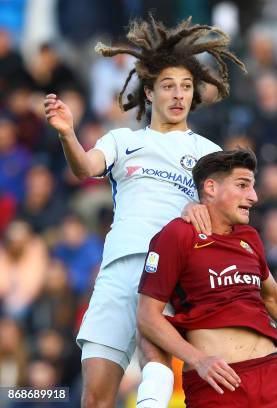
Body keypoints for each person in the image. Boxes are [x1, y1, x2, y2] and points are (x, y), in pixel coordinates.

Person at [43, 15, 246, 408]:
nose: (178, 95)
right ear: (149, 92)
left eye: (186, 87)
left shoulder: (207, 153)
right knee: (95, 397)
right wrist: (68, 133)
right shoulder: (123, 140)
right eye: (168, 86)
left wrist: (198, 206)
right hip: (118, 267)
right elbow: (85, 167)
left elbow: (225, 218)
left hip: (168, 267)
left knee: (155, 359)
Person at [137, 149, 277, 407]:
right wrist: (198, 359)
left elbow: (274, 297)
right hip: (216, 381)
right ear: (211, 187)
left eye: (253, 186)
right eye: (242, 185)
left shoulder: (249, 236)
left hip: (272, 372)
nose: (253, 196)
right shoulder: (178, 234)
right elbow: (147, 316)